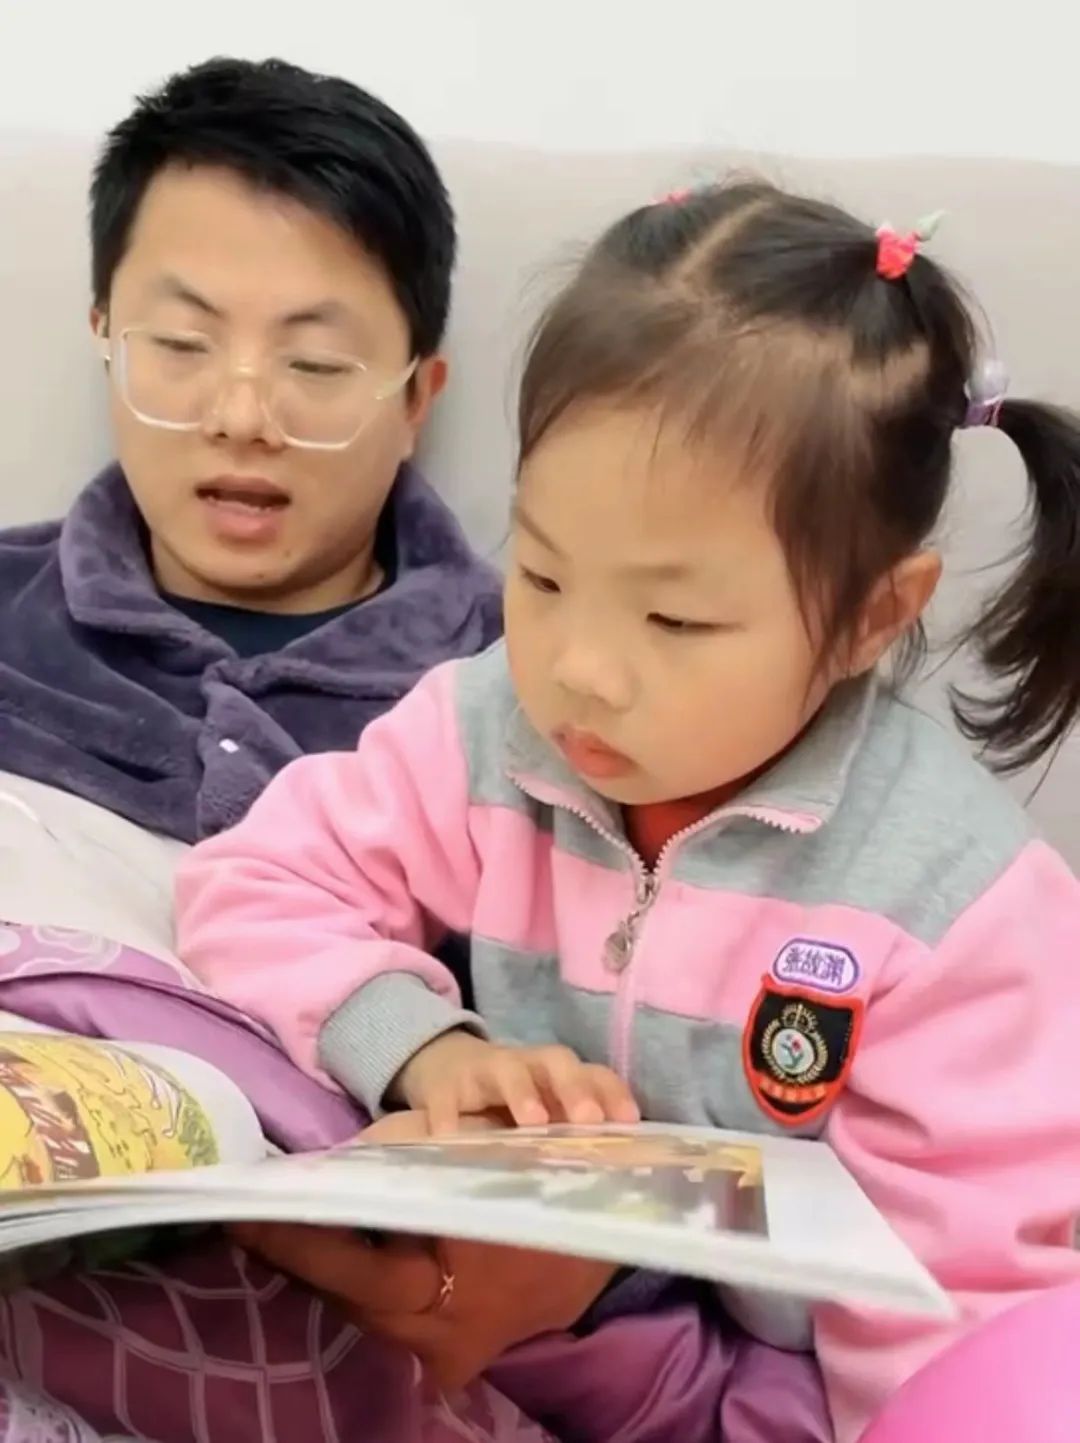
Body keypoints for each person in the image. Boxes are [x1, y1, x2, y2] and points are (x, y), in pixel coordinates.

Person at [176, 180, 1080, 1443]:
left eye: (675, 619)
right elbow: (256, 879)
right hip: (539, 1336)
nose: (582, 671)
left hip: (790, 1395)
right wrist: (426, 1049)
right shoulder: (486, 730)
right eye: (544, 575)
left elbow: (960, 1325)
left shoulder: (955, 902)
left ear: (872, 616)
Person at [0, 54, 501, 846]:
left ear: (416, 398)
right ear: (107, 341)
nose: (241, 419)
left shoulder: (520, 691)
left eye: (315, 363)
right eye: (181, 343)